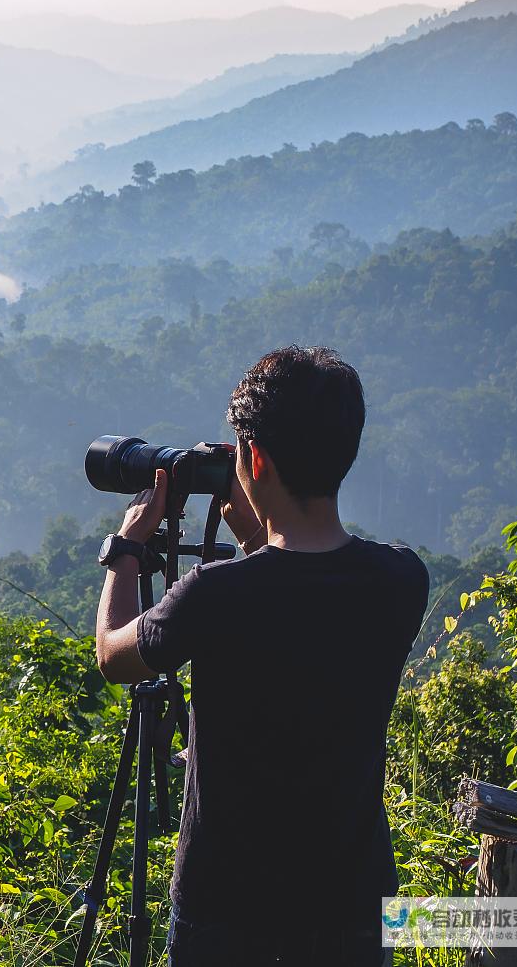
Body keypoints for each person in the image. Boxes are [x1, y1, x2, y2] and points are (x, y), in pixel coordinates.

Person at [92, 346, 428, 966]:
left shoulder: (216, 595)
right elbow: (297, 607)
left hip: (227, 916)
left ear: (254, 457)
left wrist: (128, 547)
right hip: (354, 907)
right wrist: (257, 533)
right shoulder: (402, 580)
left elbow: (115, 655)